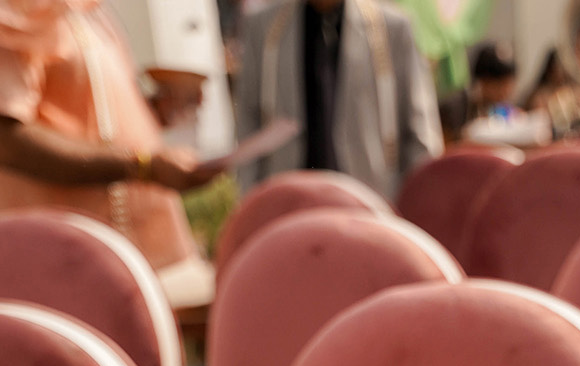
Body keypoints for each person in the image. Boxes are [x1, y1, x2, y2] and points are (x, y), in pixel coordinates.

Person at [0, 0, 223, 278]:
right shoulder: (15, 12)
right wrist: (142, 166)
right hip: (67, 265)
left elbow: (93, 117)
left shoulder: (90, 12)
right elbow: (8, 141)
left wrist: (153, 110)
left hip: (132, 259)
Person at [235, 0, 441, 199]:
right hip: (288, 200)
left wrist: (415, 205)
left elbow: (420, 131)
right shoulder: (266, 28)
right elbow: (248, 123)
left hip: (370, 199)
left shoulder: (391, 28)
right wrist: (251, 200)